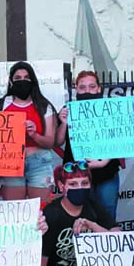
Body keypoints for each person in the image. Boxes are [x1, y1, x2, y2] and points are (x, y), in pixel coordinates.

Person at [55, 71, 122, 220]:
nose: (87, 91)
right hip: (76, 174)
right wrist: (64, 122)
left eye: (92, 87)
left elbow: (117, 138)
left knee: (107, 213)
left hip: (107, 172)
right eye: (82, 87)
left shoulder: (110, 109)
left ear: (99, 89)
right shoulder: (68, 110)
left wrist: (103, 162)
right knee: (80, 213)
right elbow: (58, 142)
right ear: (76, 90)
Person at [0, 61, 58, 205]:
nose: (22, 81)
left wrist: (34, 134)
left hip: (39, 161)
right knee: (14, 211)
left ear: (32, 81)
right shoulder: (1, 105)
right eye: (18, 78)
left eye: (26, 78)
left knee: (40, 210)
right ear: (11, 81)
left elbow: (50, 142)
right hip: (11, 163)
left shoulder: (43, 106)